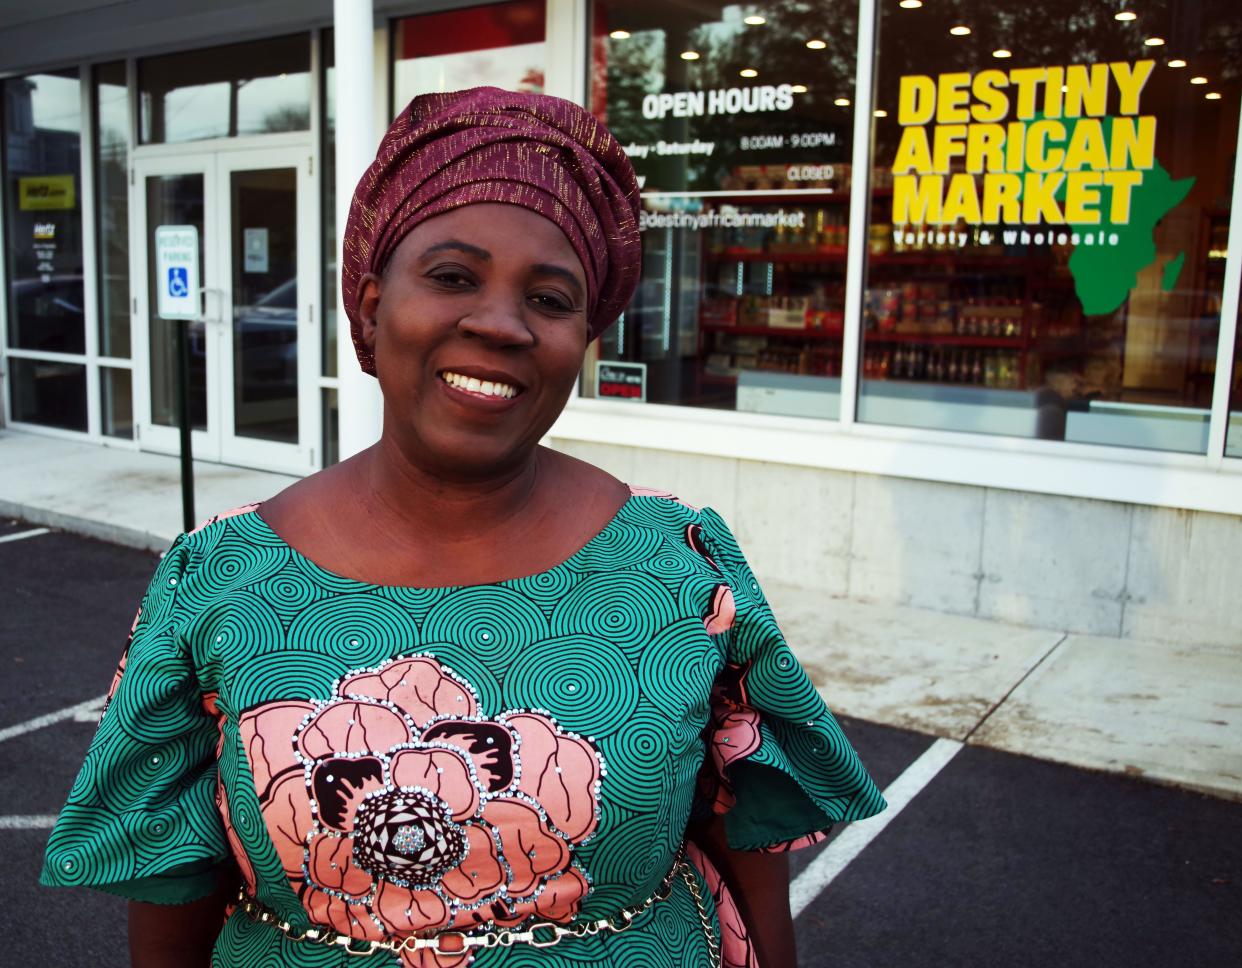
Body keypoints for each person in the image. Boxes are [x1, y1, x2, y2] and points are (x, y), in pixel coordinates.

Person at [42, 87, 885, 968]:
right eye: (451, 276)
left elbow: (752, 829)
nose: (500, 323)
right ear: (369, 307)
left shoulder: (679, 561)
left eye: (552, 299)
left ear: (583, 340)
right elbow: (173, 879)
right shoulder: (217, 575)